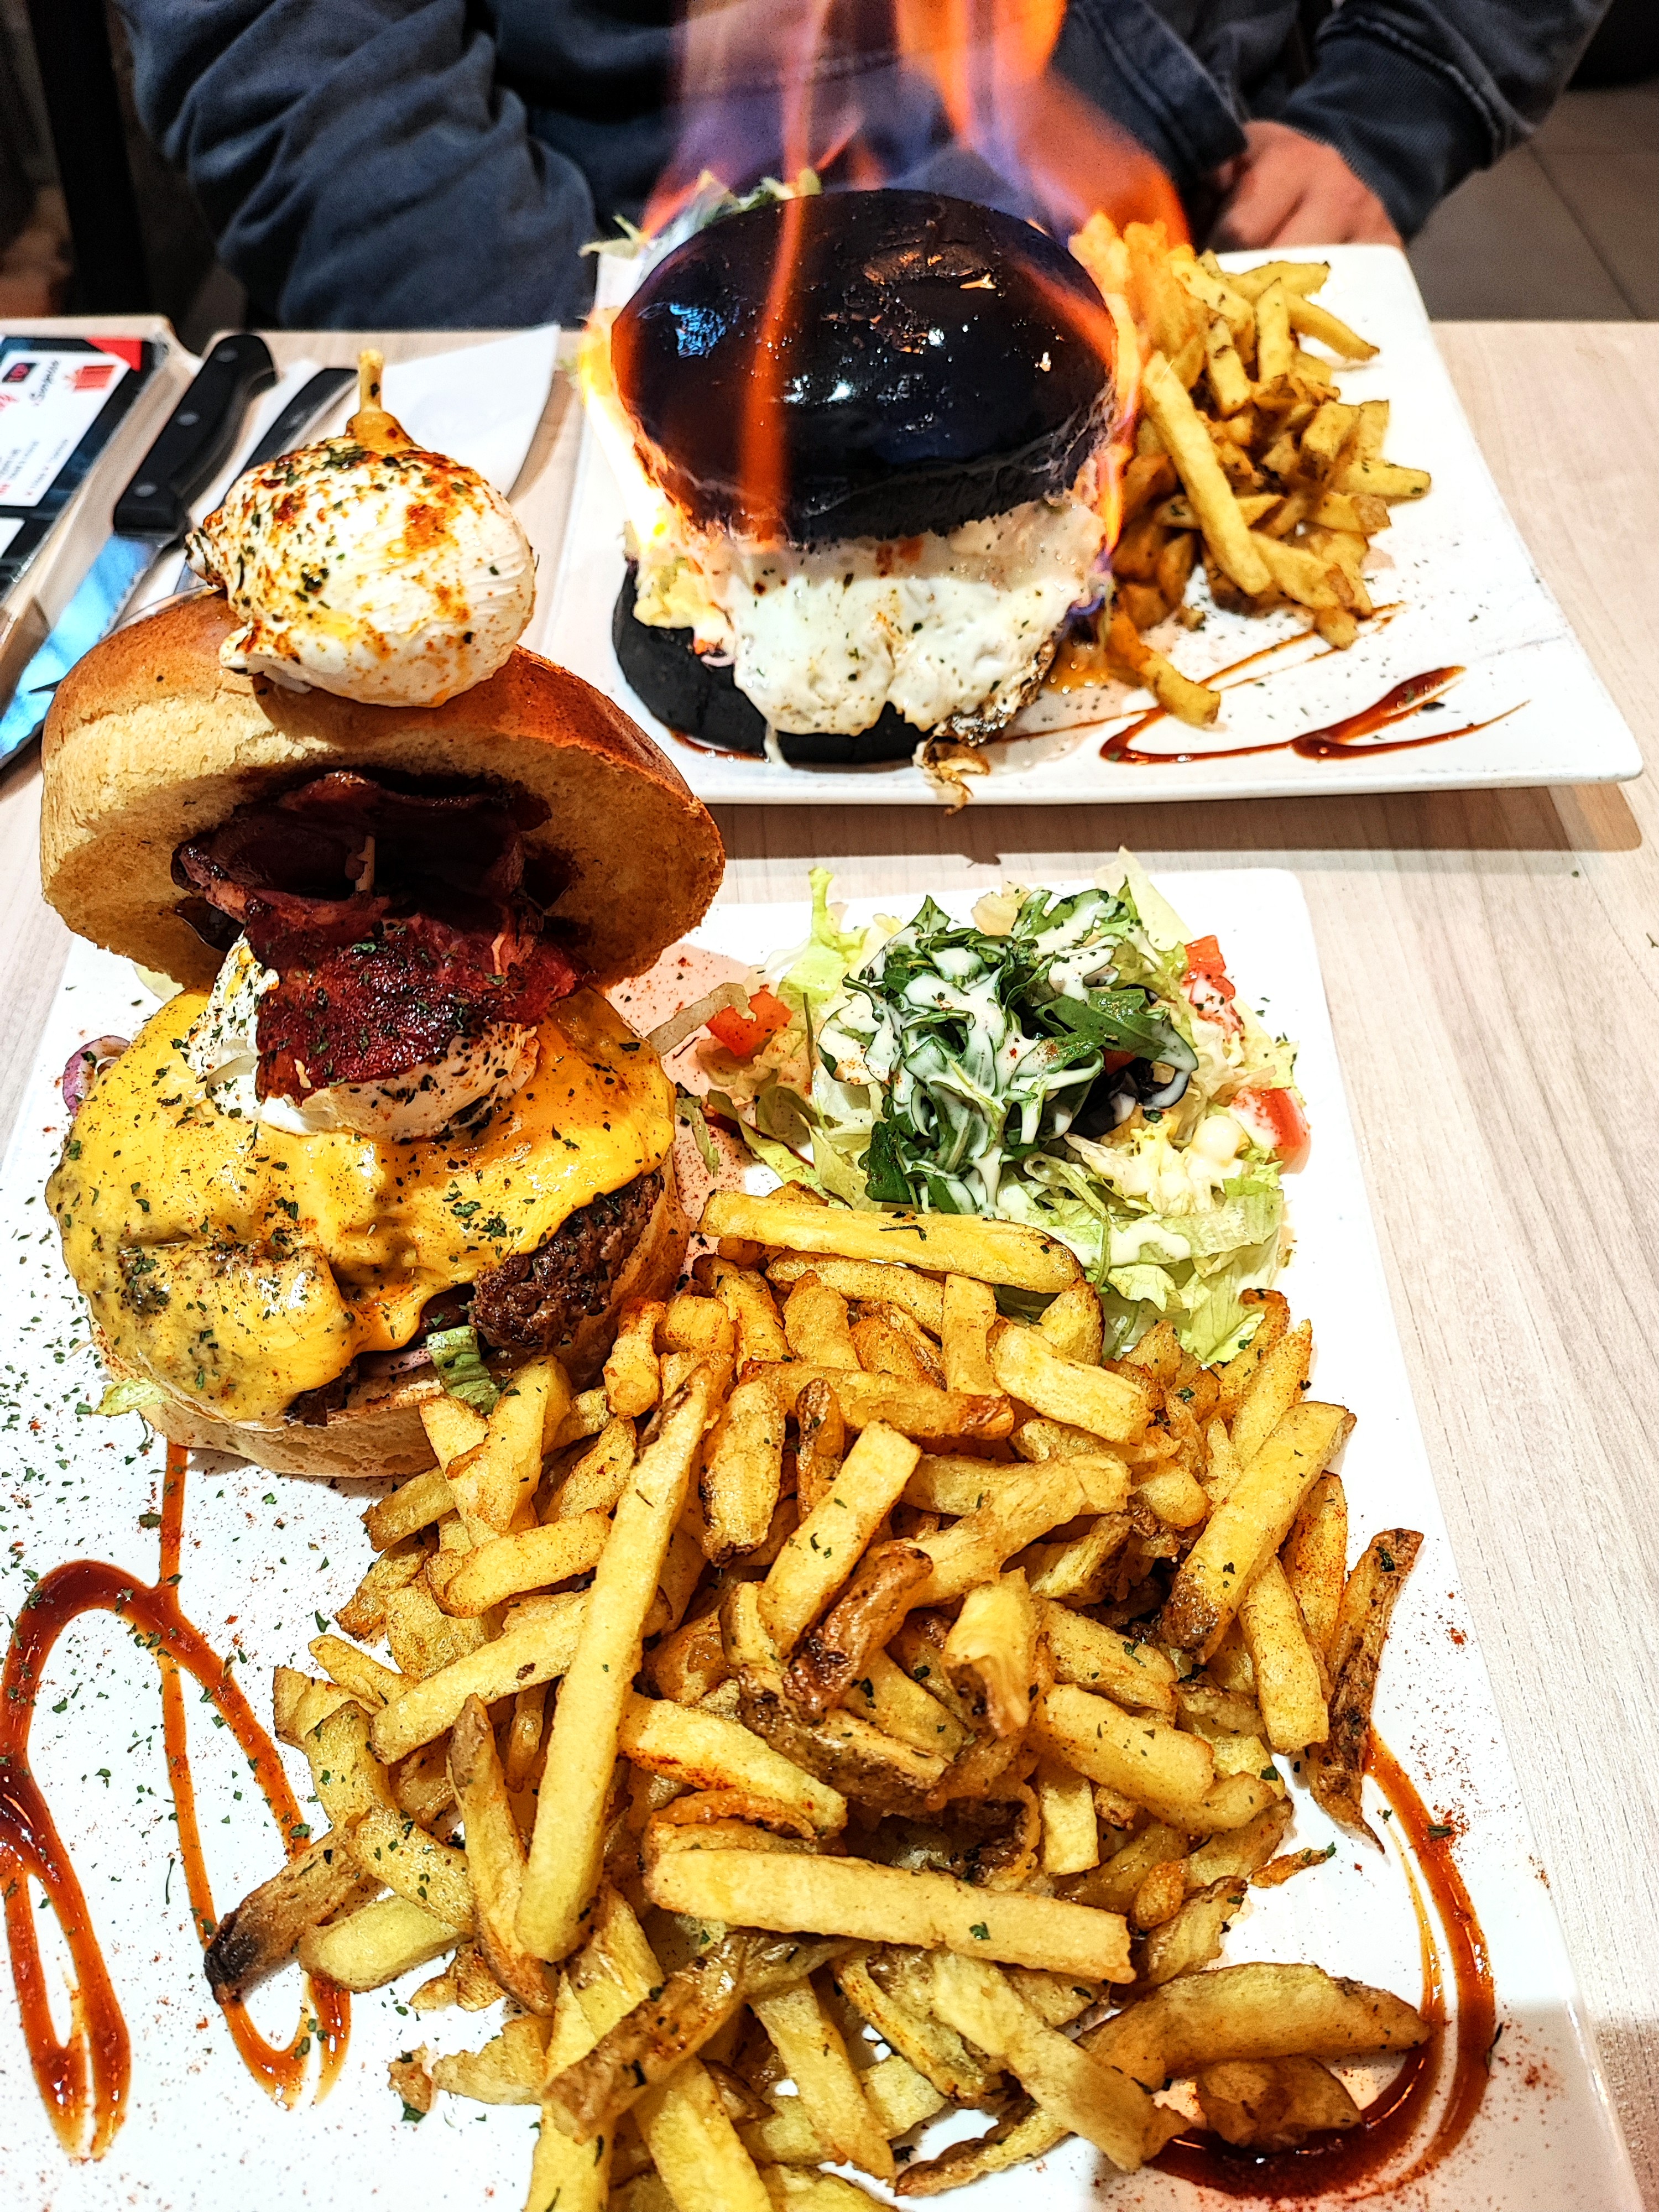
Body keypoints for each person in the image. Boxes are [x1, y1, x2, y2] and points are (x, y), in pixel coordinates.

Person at [114, 0, 1611, 327]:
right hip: (564, 284)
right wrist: (554, 350)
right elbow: (292, 47)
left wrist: (1405, 85)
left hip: (1176, 242)